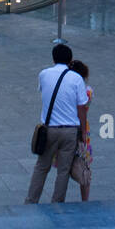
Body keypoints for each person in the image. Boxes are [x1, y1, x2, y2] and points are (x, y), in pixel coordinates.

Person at [25, 44, 89, 204]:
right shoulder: (77, 79)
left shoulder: (44, 74)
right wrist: (82, 132)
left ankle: (31, 201)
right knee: (63, 170)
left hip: (49, 130)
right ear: (70, 60)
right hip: (70, 131)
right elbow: (82, 107)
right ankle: (57, 202)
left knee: (41, 167)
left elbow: (43, 91)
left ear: (53, 58)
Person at [69, 59, 93, 202]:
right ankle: (85, 199)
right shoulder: (88, 91)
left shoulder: (68, 89)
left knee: (65, 165)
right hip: (84, 129)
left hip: (68, 126)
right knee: (84, 165)